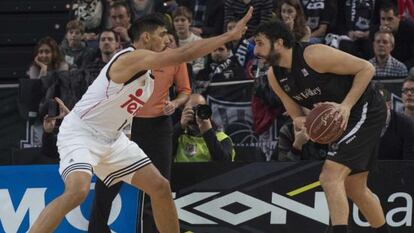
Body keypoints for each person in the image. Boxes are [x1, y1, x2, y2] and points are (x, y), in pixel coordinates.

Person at [28, 7, 253, 233]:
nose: (167, 39)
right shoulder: (131, 58)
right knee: (78, 191)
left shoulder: (146, 74)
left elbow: (112, 103)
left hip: (113, 138)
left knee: (160, 187)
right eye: (162, 34)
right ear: (147, 37)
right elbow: (183, 55)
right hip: (82, 134)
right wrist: (228, 36)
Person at [253, 20, 390, 233]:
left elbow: (367, 68)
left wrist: (345, 106)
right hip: (337, 120)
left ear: (278, 43)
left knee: (329, 176)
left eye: (260, 43)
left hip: (364, 108)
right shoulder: (274, 76)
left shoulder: (313, 55)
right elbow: (297, 116)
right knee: (355, 188)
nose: (256, 50)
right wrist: (307, 122)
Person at [88, 30, 191, 233]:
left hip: (159, 128)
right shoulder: (134, 57)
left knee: (160, 187)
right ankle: (96, 230)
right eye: (163, 38)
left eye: (168, 40)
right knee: (107, 183)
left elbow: (185, 90)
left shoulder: (176, 60)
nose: (165, 43)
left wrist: (176, 102)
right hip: (127, 126)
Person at [173, 94, 235, 162]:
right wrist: (180, 126)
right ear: (183, 111)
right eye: (192, 109)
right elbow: (162, 153)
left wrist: (208, 132)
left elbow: (226, 165)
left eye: (200, 109)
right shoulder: (178, 137)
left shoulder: (222, 138)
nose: (196, 115)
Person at [377, 85, 414, 160]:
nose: (374, 108)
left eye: (378, 103)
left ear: (389, 104)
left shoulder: (406, 124)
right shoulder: (361, 124)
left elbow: (409, 162)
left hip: (399, 170)